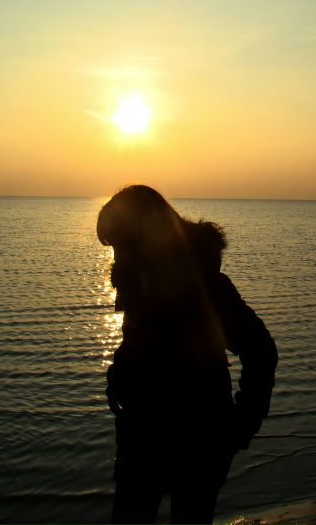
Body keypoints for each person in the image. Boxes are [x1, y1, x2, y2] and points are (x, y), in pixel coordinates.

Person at [97, 185, 278, 525]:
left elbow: (260, 350)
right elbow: (142, 342)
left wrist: (242, 424)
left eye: (121, 243)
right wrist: (119, 374)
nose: (117, 255)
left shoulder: (206, 287)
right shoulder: (136, 282)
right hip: (141, 439)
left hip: (200, 442)